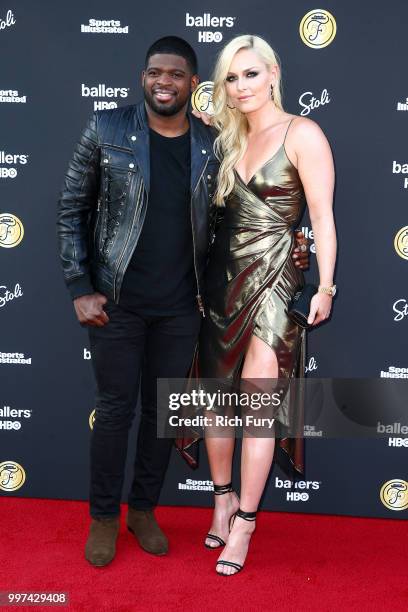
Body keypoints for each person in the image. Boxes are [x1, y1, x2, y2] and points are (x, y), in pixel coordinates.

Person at [57, 35, 309, 568]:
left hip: (181, 309)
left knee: (160, 416)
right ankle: (104, 517)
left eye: (175, 74)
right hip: (116, 303)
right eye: (155, 72)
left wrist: (292, 250)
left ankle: (143, 510)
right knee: (115, 411)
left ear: (193, 84)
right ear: (143, 76)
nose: (163, 82)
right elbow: (71, 208)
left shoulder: (212, 144)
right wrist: (80, 286)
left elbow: (230, 223)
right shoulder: (107, 130)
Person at [188, 34, 337, 576]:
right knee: (213, 403)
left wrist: (325, 287)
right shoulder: (224, 141)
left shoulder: (304, 133)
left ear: (273, 72)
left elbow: (321, 217)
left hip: (274, 281)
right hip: (222, 283)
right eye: (231, 77)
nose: (242, 86)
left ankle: (246, 522)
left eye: (251, 73)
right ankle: (222, 498)